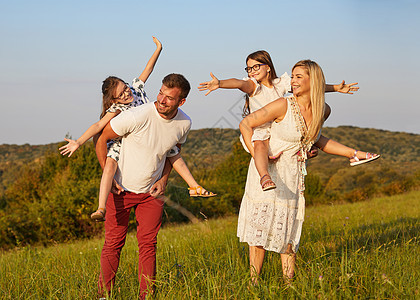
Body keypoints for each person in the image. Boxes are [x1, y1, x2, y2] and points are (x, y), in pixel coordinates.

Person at [237, 60, 380, 284]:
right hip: (268, 169)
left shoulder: (323, 109)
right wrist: (256, 154)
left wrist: (347, 152)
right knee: (260, 231)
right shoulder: (282, 104)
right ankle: (253, 283)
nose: (292, 81)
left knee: (289, 229)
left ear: (313, 81)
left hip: (293, 174)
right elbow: (246, 123)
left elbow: (317, 138)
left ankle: (288, 284)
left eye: (298, 77)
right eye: (292, 76)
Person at [59, 37, 215, 221]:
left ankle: (194, 186)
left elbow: (148, 69)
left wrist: (158, 49)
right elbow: (99, 127)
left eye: (125, 88)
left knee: (173, 152)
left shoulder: (137, 90)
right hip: (123, 142)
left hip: (153, 131)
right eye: (121, 95)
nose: (127, 94)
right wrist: (78, 141)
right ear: (114, 100)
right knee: (109, 167)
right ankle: (101, 208)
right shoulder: (116, 109)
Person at [199, 50, 378, 191]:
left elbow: (310, 85)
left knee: (315, 136)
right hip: (261, 128)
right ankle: (264, 176)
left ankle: (352, 154)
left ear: (268, 67)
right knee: (260, 145)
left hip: (281, 123)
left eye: (256, 67)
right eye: (249, 68)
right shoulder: (253, 86)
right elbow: (239, 83)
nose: (252, 71)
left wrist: (335, 88)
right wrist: (220, 83)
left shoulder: (282, 83)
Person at [94, 73, 192, 298]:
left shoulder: (184, 122)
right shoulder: (137, 115)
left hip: (151, 194)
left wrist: (164, 179)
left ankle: (147, 296)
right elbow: (101, 139)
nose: (161, 100)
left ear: (181, 101)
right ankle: (103, 296)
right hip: (120, 190)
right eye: (160, 93)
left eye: (169, 98)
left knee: (148, 246)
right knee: (113, 245)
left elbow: (173, 151)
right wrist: (107, 175)